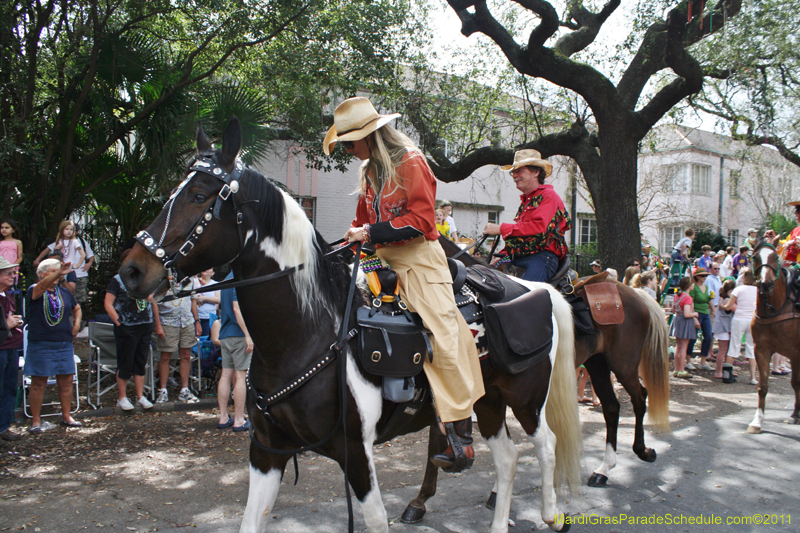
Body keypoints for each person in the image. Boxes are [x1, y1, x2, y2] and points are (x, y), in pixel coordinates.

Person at [323, 96, 484, 472]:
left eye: (350, 142)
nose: (347, 150)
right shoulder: (368, 172)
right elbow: (363, 223)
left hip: (419, 261)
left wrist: (369, 231)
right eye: (344, 144)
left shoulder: (411, 162)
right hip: (379, 259)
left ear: (371, 136)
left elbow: (423, 222)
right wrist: (354, 239)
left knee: (443, 333)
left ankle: (461, 433)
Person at [482, 149, 571, 282]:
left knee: (526, 296)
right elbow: (523, 235)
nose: (514, 176)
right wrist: (503, 255)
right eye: (513, 172)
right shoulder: (528, 200)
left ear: (536, 172)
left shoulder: (548, 196)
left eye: (519, 171)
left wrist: (501, 229)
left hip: (541, 258)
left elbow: (538, 227)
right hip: (519, 258)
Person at [24, 259, 82, 433]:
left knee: (66, 381)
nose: (57, 274)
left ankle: (66, 416)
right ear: (41, 274)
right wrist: (60, 272)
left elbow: (77, 308)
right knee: (38, 382)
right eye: (52, 271)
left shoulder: (64, 292)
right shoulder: (34, 290)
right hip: (41, 342)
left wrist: (76, 324)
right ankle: (35, 420)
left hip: (63, 342)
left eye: (57, 272)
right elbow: (40, 289)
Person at [104, 254, 155, 411]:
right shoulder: (117, 280)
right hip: (126, 326)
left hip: (144, 325)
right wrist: (118, 321)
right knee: (125, 363)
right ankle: (122, 397)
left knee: (140, 362)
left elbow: (152, 300)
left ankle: (140, 396)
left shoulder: (144, 279)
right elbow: (108, 303)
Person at [216, 274, 253, 431]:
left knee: (225, 375)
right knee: (240, 376)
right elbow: (236, 308)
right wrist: (247, 335)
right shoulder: (238, 279)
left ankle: (223, 417)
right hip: (238, 334)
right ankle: (239, 419)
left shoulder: (225, 279)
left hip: (225, 333)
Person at [153, 287, 201, 404]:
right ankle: (163, 390)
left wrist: (197, 321)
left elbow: (193, 300)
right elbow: (154, 302)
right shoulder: (163, 280)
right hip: (167, 322)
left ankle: (184, 390)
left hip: (187, 321)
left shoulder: (188, 280)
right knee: (165, 357)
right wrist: (157, 324)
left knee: (185, 355)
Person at [0, 257, 24, 441]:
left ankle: (3, 427)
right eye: (8, 273)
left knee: (9, 388)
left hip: (11, 348)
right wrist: (6, 324)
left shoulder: (7, 295)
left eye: (13, 272)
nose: (12, 276)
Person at [722, 268, 758, 384]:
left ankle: (727, 375)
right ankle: (753, 377)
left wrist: (722, 306)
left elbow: (728, 306)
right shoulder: (757, 290)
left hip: (739, 319)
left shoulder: (738, 289)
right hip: (752, 320)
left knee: (734, 346)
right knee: (751, 348)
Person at [670, 276, 698, 379]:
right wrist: (695, 313)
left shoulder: (677, 296)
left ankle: (677, 369)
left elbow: (673, 309)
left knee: (678, 347)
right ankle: (681, 370)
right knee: (683, 348)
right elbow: (687, 314)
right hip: (685, 322)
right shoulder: (687, 297)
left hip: (677, 320)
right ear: (690, 285)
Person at [686, 268, 713, 371]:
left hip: (705, 312)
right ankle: (688, 360)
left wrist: (713, 309)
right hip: (697, 312)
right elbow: (691, 302)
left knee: (708, 337)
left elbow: (708, 299)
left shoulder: (706, 287)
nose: (704, 277)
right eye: (702, 276)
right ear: (697, 277)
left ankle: (703, 361)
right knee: (693, 338)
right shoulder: (694, 288)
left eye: (705, 276)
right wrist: (694, 317)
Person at [712, 280, 736, 379]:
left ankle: (726, 370)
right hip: (723, 327)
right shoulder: (727, 300)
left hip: (725, 326)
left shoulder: (723, 298)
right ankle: (718, 372)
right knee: (722, 350)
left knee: (726, 350)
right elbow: (737, 309)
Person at [193, 269, 219, 337]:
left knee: (206, 341)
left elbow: (219, 299)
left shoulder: (215, 284)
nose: (206, 269)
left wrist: (204, 298)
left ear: (213, 273)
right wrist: (197, 298)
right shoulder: (195, 281)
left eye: (209, 268)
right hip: (194, 317)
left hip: (209, 317)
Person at [0, 219, 23, 284]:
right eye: (2, 228)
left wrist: (13, 267)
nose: (4, 229)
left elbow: (20, 257)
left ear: (13, 230)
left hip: (12, 268)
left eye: (7, 228)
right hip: (1, 268)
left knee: (11, 287)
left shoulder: (18, 242)